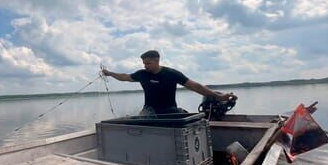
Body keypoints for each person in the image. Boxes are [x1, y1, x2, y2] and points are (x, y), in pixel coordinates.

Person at [101, 50, 237, 115]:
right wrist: (109, 73)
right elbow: (125, 77)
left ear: (157, 60)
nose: (145, 66)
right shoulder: (142, 74)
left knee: (191, 119)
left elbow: (195, 86)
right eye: (144, 63)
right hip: (149, 111)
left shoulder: (171, 74)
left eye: (148, 63)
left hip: (170, 110)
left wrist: (219, 96)